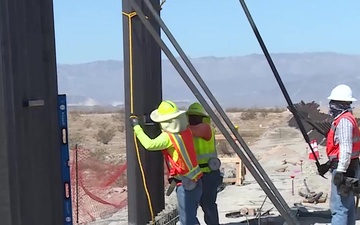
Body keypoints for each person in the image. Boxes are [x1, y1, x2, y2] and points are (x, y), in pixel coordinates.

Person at [129, 100, 203, 225]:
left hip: (186, 185)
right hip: (196, 181)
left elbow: (149, 144)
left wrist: (137, 127)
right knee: (191, 218)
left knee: (187, 222)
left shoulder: (168, 137)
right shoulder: (186, 131)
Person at [325, 84, 360, 225]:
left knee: (339, 208)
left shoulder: (344, 121)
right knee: (348, 205)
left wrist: (340, 170)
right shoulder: (347, 118)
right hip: (350, 166)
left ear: (340, 104)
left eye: (333, 102)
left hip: (346, 169)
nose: (331, 105)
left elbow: (345, 147)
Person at [187, 102, 222, 225]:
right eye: (191, 116)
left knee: (208, 205)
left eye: (196, 116)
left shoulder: (206, 128)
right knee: (190, 208)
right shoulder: (186, 132)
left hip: (208, 174)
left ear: (203, 118)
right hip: (194, 175)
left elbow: (192, 131)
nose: (193, 119)